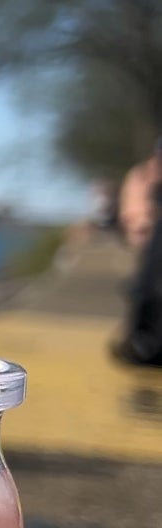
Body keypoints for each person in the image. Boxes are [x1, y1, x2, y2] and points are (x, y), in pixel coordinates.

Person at [114, 141, 162, 366]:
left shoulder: (142, 177)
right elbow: (136, 221)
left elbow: (136, 223)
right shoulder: (140, 177)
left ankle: (143, 340)